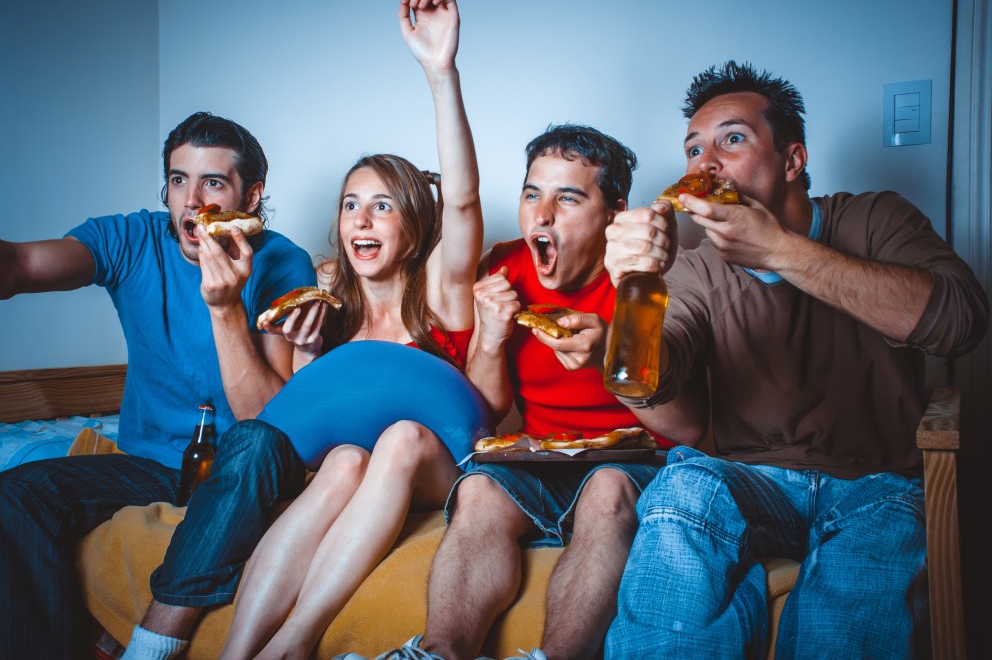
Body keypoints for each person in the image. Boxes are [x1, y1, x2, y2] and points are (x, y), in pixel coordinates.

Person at [601, 60, 989, 659]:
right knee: (681, 487)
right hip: (746, 480)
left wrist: (781, 250)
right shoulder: (694, 268)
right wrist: (635, 289)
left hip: (876, 485)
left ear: (792, 160)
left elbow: (960, 321)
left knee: (862, 579)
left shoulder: (874, 218)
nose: (706, 164)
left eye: (732, 139)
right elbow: (657, 390)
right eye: (694, 149)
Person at [345, 124, 706, 660]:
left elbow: (691, 430)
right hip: (537, 458)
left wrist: (613, 352)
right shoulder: (503, 266)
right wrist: (489, 338)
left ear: (614, 212)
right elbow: (487, 413)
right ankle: (438, 652)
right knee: (479, 491)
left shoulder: (650, 279)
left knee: (606, 489)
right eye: (532, 193)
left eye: (567, 197)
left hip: (631, 462)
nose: (542, 215)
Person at [0, 112, 316, 660]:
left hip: (240, 472)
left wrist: (225, 309)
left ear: (251, 197)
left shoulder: (282, 262)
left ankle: (153, 641)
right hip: (150, 466)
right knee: (12, 494)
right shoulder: (131, 238)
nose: (190, 201)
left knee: (256, 447)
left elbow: (269, 422)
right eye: (178, 180)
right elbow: (15, 266)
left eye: (213, 183)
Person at [216, 0, 485, 659]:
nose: (360, 220)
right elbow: (284, 431)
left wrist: (440, 72)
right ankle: (238, 653)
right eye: (350, 205)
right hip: (349, 473)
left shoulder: (441, 293)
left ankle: (294, 643)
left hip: (436, 464)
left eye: (383, 207)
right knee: (341, 460)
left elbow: (463, 200)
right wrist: (302, 352)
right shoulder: (319, 310)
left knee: (395, 437)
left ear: (414, 224)